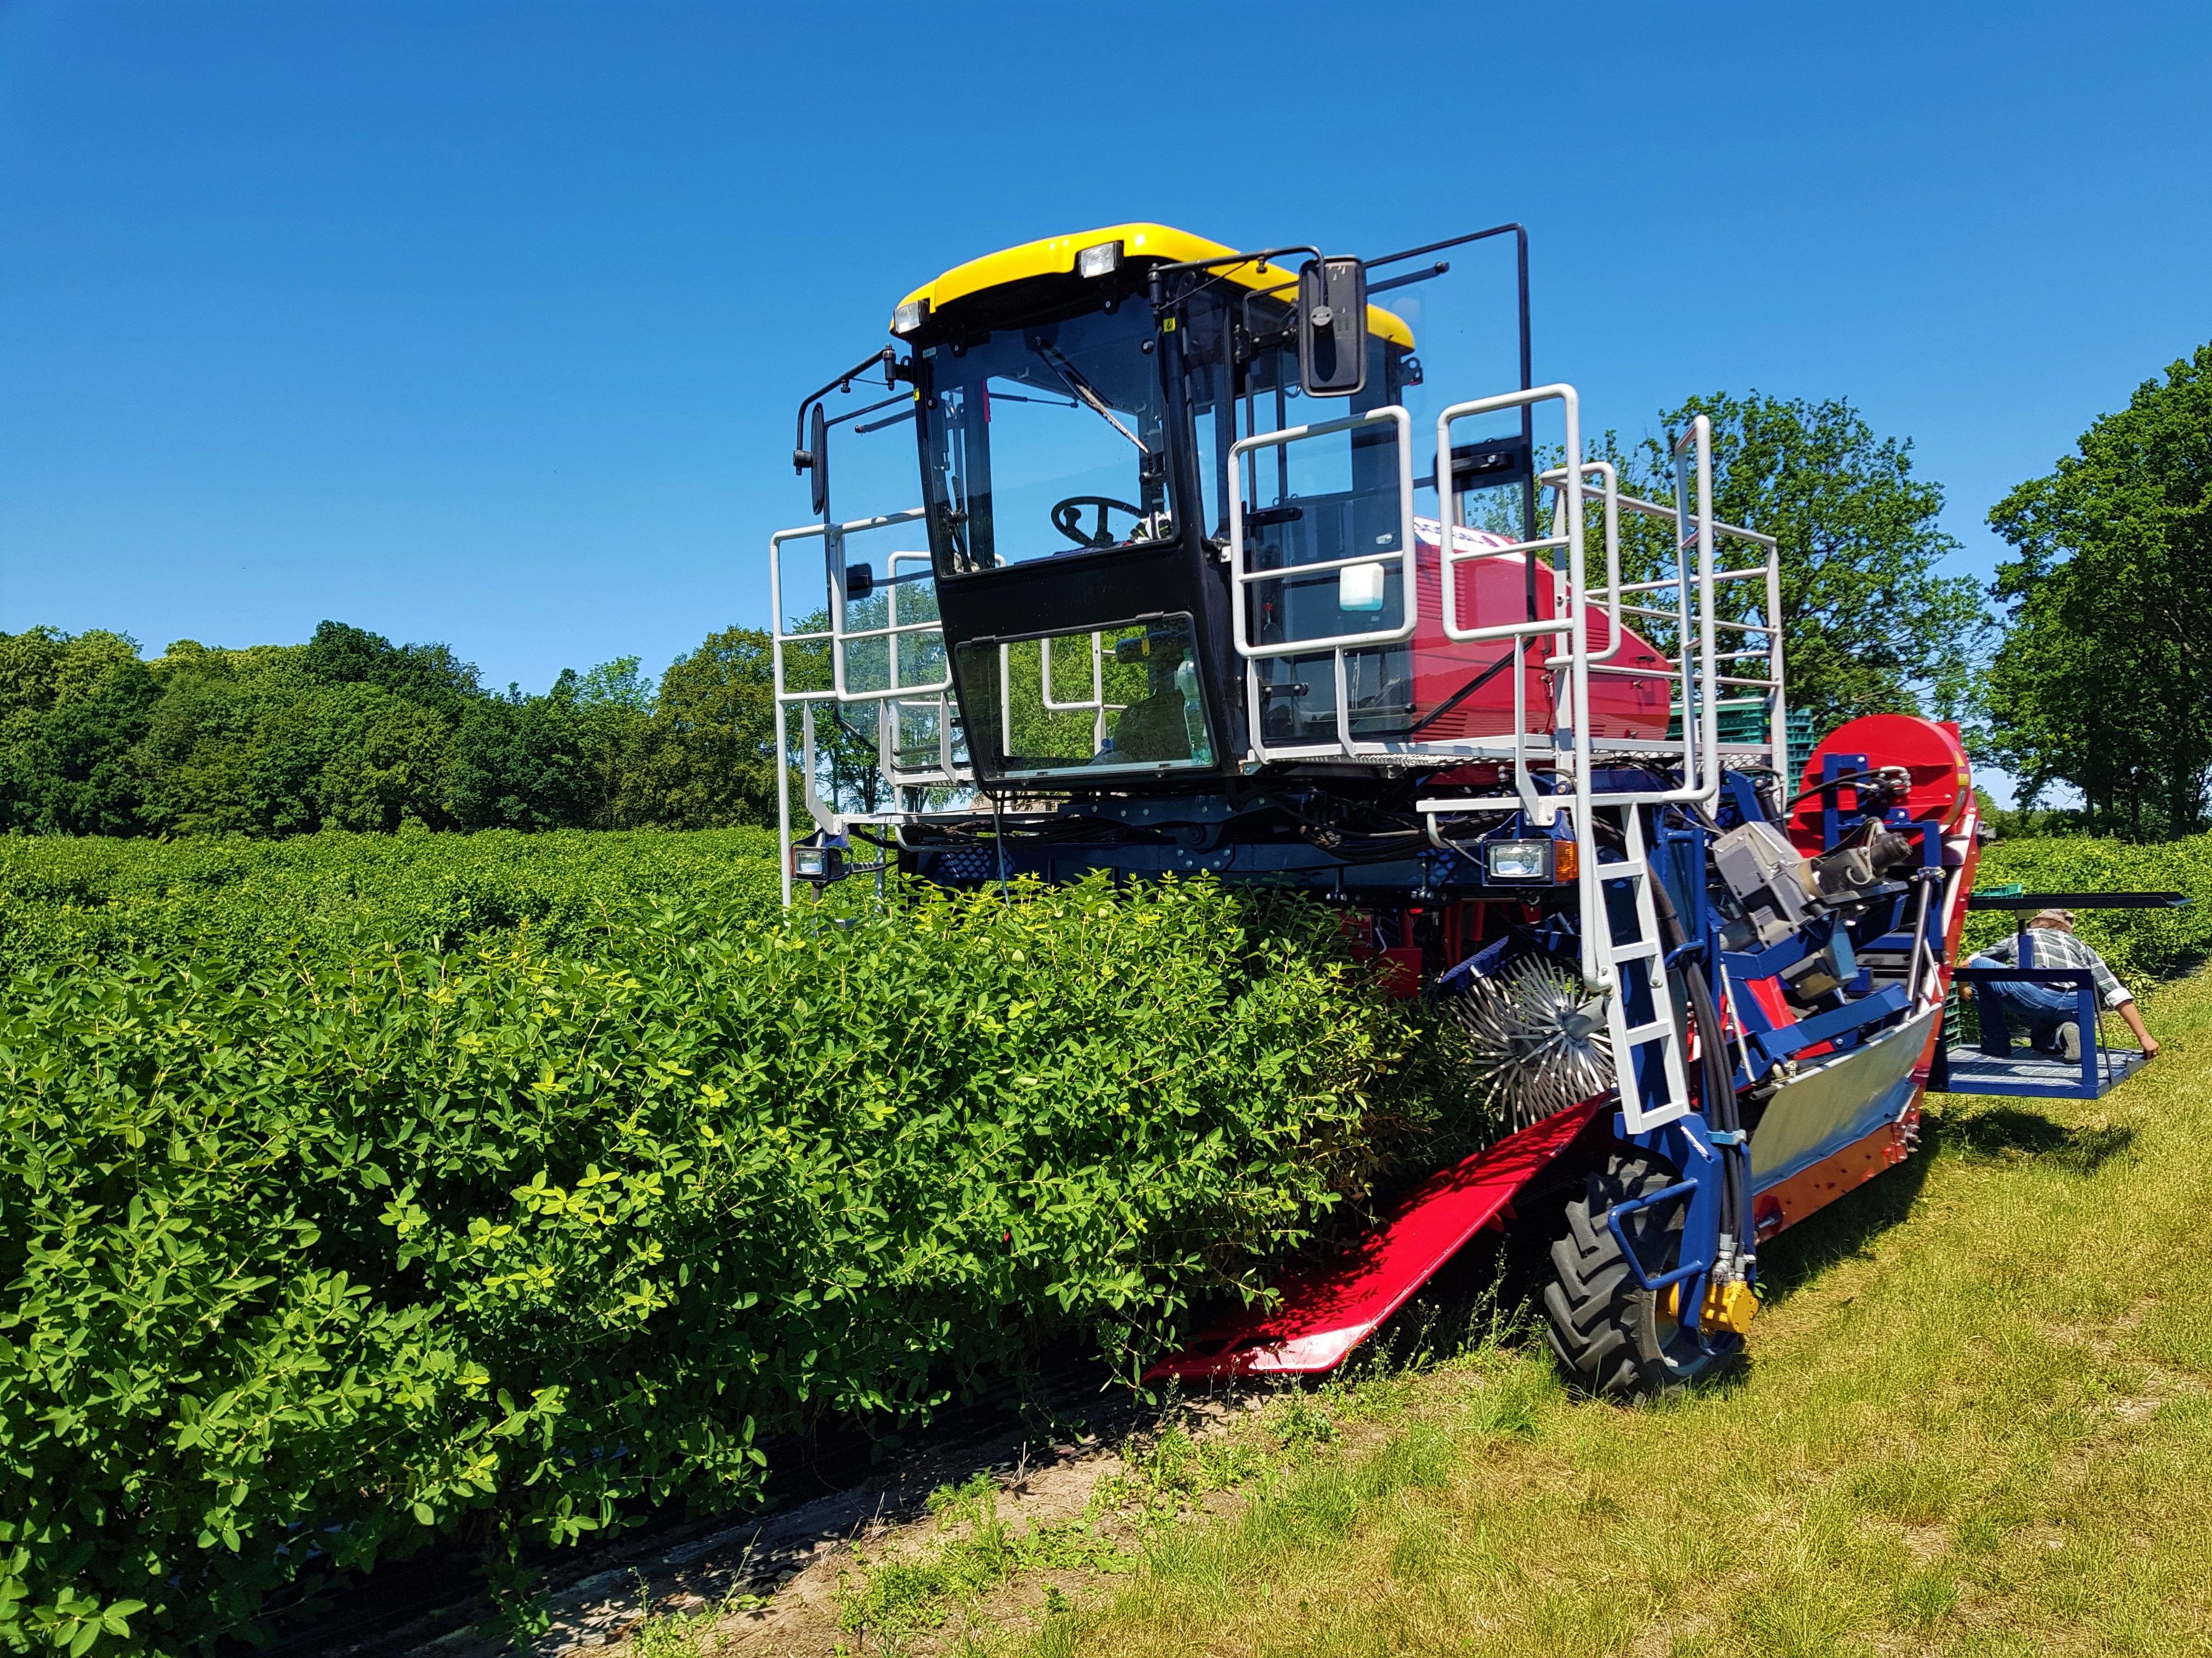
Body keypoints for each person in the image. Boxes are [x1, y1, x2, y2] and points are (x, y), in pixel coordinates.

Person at [1967, 908, 2159, 1062]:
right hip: (2076, 1003)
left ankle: (1997, 1045)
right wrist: (2144, 1037)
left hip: (2037, 996)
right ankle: (2063, 1033)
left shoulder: (2021, 936)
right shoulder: (2081, 945)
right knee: (2041, 1041)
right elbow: (2115, 992)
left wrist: (1963, 987)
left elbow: (1969, 962)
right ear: (2066, 929)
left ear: (2035, 922)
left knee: (1979, 966)